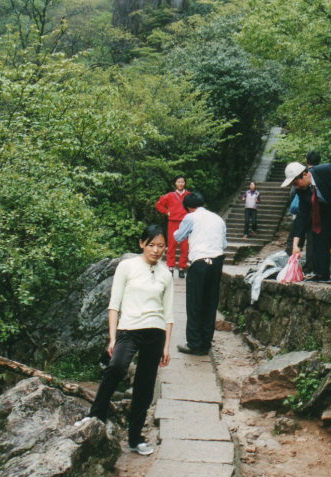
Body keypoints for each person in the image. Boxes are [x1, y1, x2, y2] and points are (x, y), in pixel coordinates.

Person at [74, 225, 173, 455]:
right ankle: (95, 414)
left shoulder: (166, 274)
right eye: (151, 245)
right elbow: (114, 305)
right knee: (116, 367)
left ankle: (135, 437)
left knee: (145, 385)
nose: (156, 250)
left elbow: (168, 313)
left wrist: (167, 345)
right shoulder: (127, 266)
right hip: (129, 329)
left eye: (160, 246)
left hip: (155, 331)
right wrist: (112, 337)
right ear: (142, 244)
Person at [282, 161, 331, 283]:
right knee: (318, 234)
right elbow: (302, 215)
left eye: (296, 182)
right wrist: (296, 245)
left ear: (305, 174)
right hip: (325, 211)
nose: (296, 186)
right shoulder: (301, 189)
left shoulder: (328, 170)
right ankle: (321, 273)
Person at [174, 192, 227, 355]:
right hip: (217, 262)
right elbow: (224, 243)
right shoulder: (218, 219)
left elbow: (178, 236)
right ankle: (205, 342)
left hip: (199, 262)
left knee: (195, 303)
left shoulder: (191, 217)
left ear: (188, 207)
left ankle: (194, 343)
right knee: (210, 302)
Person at [155, 175, 191, 278]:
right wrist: (167, 212)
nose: (180, 184)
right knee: (172, 245)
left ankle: (182, 268)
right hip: (173, 222)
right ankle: (170, 268)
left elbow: (194, 206)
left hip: (186, 223)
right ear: (175, 183)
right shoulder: (170, 195)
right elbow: (159, 205)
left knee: (185, 246)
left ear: (185, 183)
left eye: (182, 182)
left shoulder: (189, 195)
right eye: (178, 182)